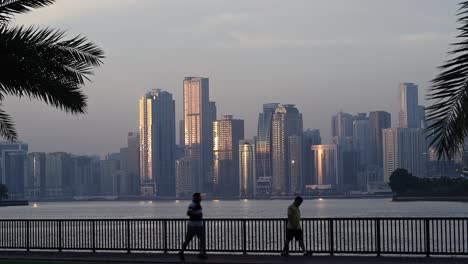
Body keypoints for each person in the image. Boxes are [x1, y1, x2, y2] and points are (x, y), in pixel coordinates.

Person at [179, 193, 207, 259]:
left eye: (200, 197)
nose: (200, 198)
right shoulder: (192, 205)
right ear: (195, 198)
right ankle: (200, 253)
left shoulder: (197, 204)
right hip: (194, 225)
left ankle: (200, 253)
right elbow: (188, 213)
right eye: (199, 197)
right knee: (197, 239)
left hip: (197, 225)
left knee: (198, 239)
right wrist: (195, 210)